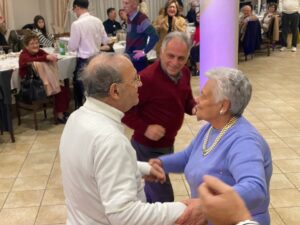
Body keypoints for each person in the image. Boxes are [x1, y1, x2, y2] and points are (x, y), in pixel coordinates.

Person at [59, 52, 204, 225]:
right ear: (115, 91)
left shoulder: (77, 118)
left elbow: (96, 167)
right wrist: (182, 208)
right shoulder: (109, 139)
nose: (140, 84)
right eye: (135, 79)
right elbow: (125, 215)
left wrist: (142, 169)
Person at [150, 67, 272, 225]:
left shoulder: (244, 141)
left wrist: (205, 206)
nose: (197, 99)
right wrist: (161, 164)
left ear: (223, 106)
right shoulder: (211, 128)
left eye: (204, 95)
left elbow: (255, 189)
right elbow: (188, 156)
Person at [122, 32, 196, 203]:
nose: (175, 63)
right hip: (146, 147)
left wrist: (195, 108)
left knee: (153, 191)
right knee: (163, 197)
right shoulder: (146, 78)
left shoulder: (185, 73)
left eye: (181, 58)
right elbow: (124, 112)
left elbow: (187, 101)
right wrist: (145, 128)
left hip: (167, 144)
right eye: (171, 56)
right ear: (161, 52)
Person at [19, 33, 70, 123]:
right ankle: (59, 115)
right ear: (26, 46)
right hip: (33, 85)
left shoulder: (40, 51)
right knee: (59, 90)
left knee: (63, 90)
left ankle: (61, 112)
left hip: (43, 81)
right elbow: (29, 61)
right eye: (32, 43)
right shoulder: (23, 55)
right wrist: (45, 57)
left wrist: (50, 57)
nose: (35, 45)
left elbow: (47, 56)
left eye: (37, 43)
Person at [68, 0, 108, 109]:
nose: (74, 12)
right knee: (96, 87)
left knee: (83, 89)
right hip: (97, 58)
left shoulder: (76, 24)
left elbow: (72, 46)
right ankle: (98, 109)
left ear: (76, 7)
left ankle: (85, 111)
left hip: (84, 60)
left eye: (74, 9)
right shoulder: (98, 21)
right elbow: (105, 40)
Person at [123, 0, 159, 72]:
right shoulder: (130, 18)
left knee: (140, 81)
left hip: (138, 61)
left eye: (126, 3)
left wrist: (144, 51)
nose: (124, 6)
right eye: (123, 3)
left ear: (135, 5)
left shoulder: (142, 19)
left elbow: (155, 36)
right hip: (130, 59)